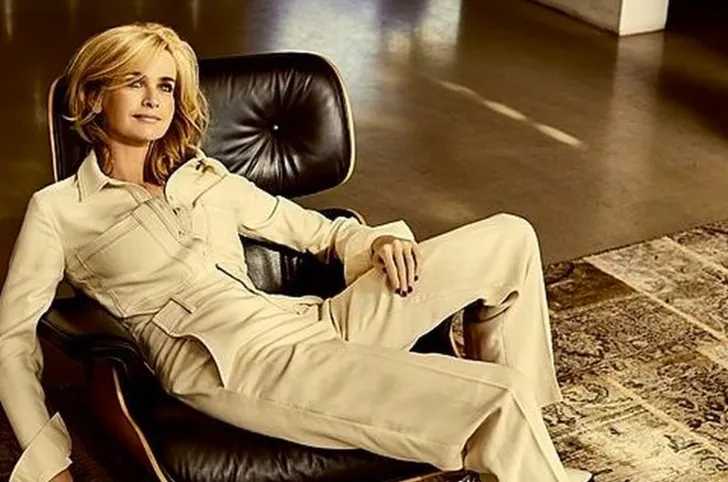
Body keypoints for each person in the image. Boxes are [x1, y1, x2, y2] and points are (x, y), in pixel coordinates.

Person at [0, 23, 593, 482]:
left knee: (509, 237)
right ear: (95, 94)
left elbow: (316, 231)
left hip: (310, 320)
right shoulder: (61, 209)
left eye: (166, 86)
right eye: (135, 82)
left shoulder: (203, 176)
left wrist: (376, 241)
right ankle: (522, 452)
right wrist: (49, 462)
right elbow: (12, 337)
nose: (153, 99)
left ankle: (526, 451)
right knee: (498, 397)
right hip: (236, 359)